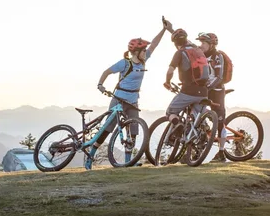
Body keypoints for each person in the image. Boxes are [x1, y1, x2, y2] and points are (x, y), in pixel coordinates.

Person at [89, 20, 167, 169]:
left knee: (133, 131)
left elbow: (155, 44)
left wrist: (163, 29)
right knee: (107, 129)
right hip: (119, 99)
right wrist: (100, 85)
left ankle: (127, 161)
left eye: (145, 51)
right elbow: (107, 71)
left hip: (133, 101)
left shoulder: (144, 61)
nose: (146, 52)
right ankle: (91, 155)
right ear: (136, 52)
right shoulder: (125, 63)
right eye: (143, 51)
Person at [161, 20, 211, 135]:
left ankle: (177, 124)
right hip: (203, 92)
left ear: (175, 43)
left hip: (188, 91)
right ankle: (201, 137)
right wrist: (170, 29)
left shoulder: (179, 53)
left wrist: (167, 82)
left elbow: (170, 71)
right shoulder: (197, 50)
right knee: (197, 119)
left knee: (170, 112)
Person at [195, 32, 231, 159]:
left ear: (211, 45)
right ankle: (199, 144)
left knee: (220, 122)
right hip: (205, 90)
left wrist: (208, 88)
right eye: (201, 43)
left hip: (217, 91)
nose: (201, 45)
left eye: (204, 43)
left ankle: (221, 153)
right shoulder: (201, 55)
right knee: (195, 114)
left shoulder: (217, 56)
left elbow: (219, 76)